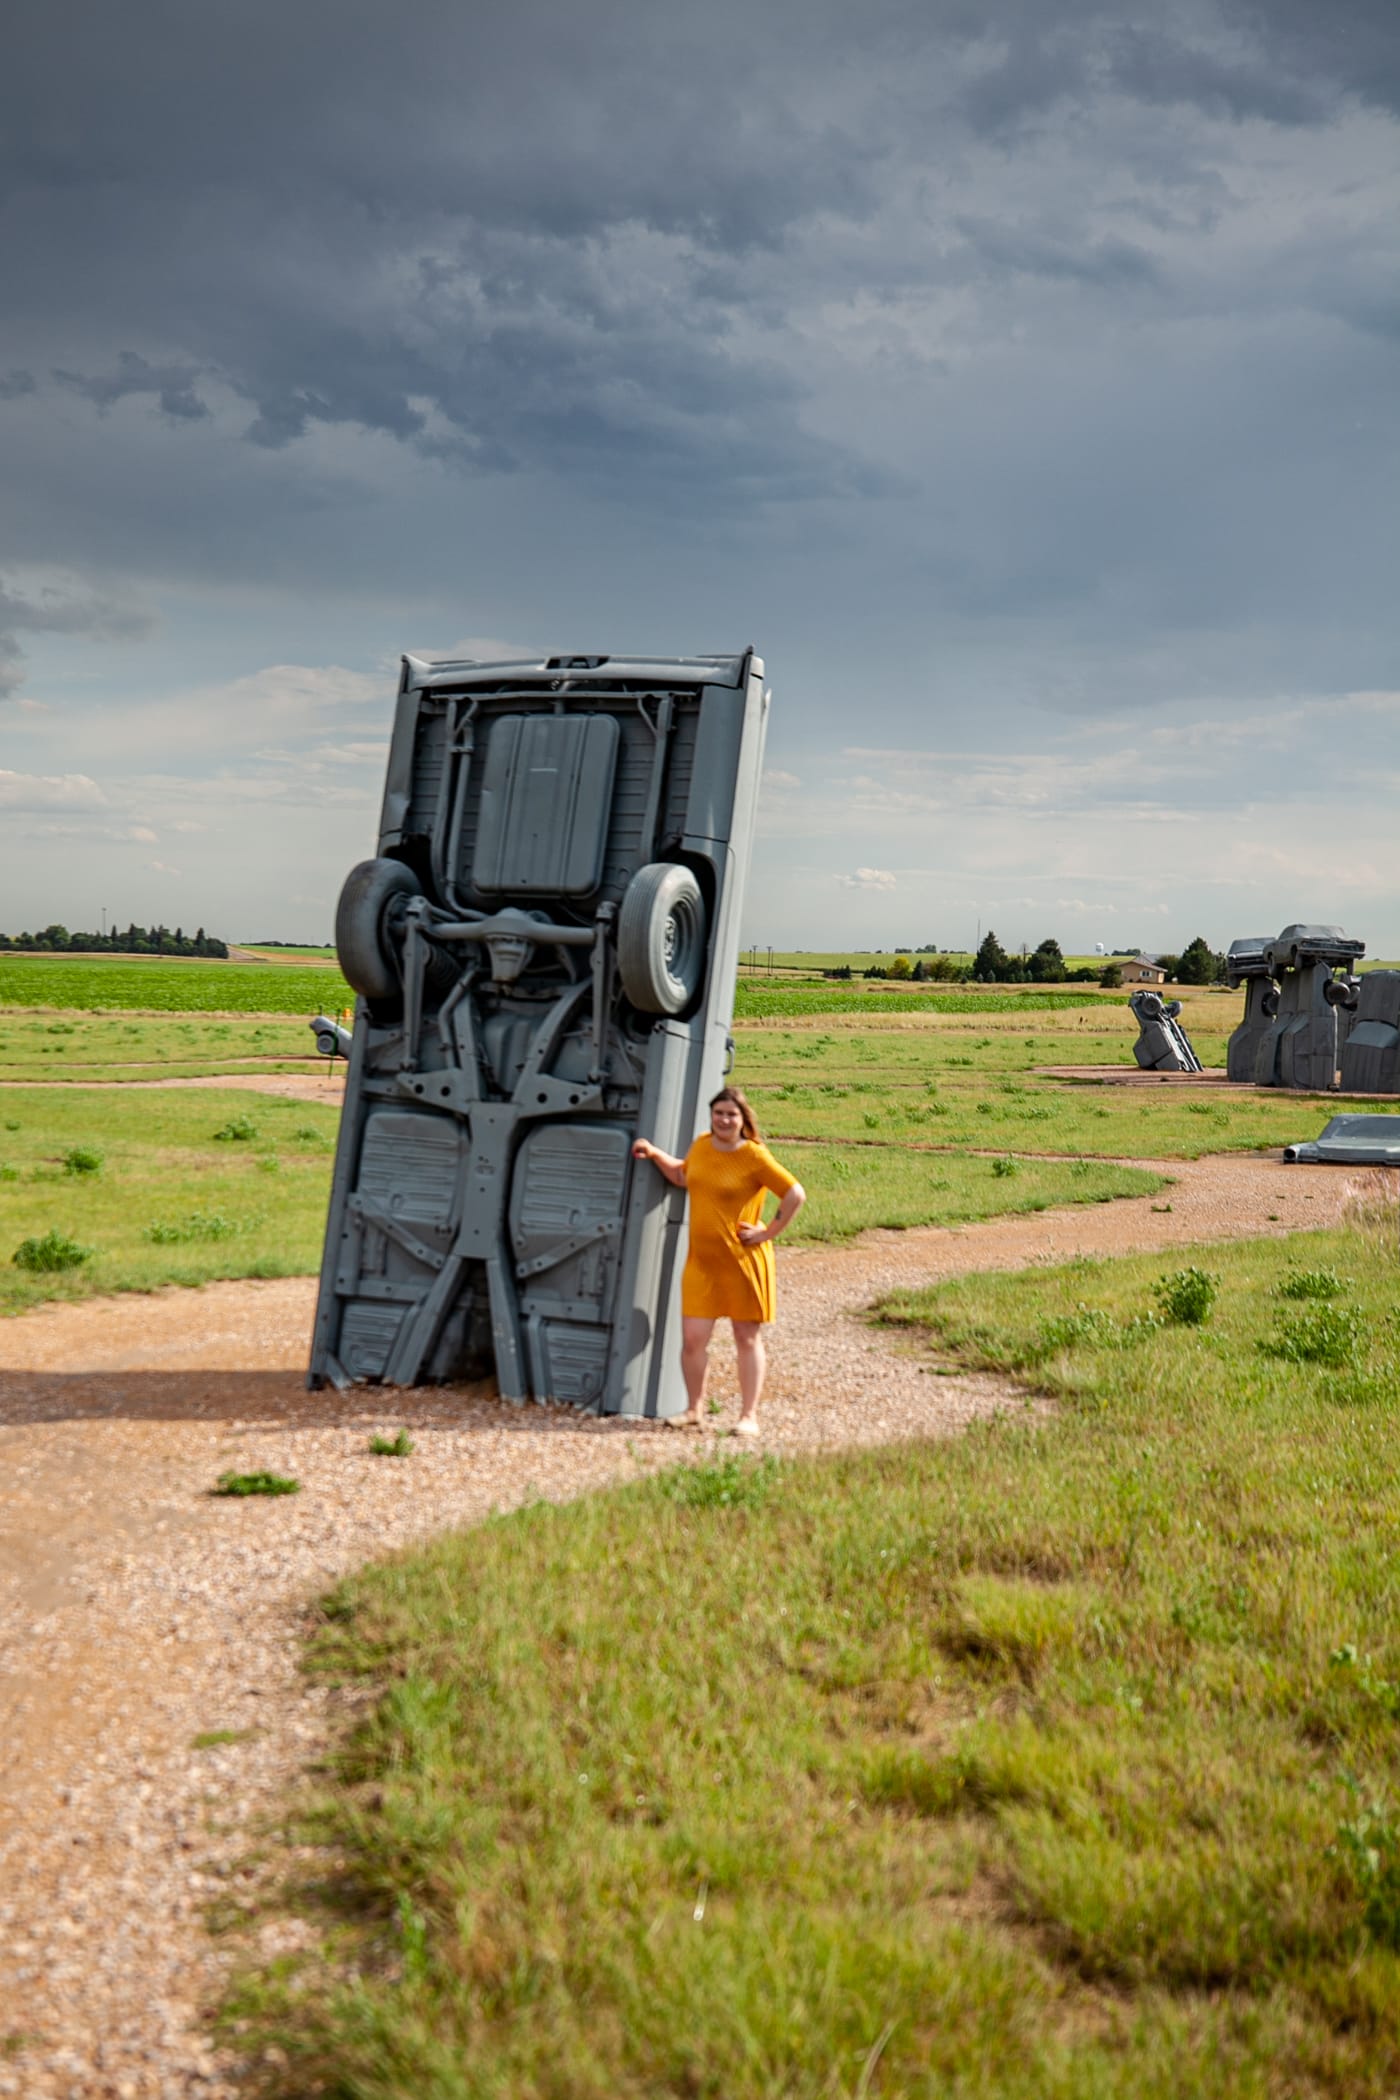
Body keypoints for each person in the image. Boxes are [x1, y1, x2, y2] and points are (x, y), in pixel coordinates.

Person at [631, 1086, 805, 1435]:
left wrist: (767, 1232)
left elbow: (794, 1193)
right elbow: (682, 1175)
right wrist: (653, 1154)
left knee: (746, 1338)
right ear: (712, 1116)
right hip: (702, 1264)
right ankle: (694, 1409)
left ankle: (748, 1417)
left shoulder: (754, 1156)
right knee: (693, 1340)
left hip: (743, 1261)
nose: (724, 1120)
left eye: (731, 1114)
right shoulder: (701, 1145)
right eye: (719, 1113)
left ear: (743, 1119)